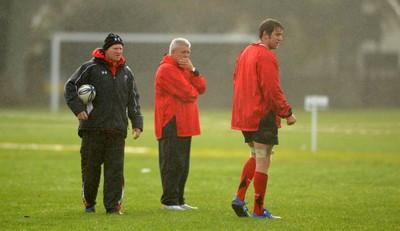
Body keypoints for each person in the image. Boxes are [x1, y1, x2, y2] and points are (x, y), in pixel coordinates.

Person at [64, 33, 143, 215]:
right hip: (93, 128)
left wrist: (137, 123)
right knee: (90, 169)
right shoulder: (89, 68)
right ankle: (89, 203)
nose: (118, 51)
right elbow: (70, 86)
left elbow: (133, 100)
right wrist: (78, 109)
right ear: (105, 50)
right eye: (115, 48)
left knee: (115, 171)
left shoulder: (126, 72)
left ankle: (113, 207)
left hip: (117, 129)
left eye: (121, 49)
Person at [230, 19, 297, 219]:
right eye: (277, 35)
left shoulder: (245, 53)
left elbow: (236, 80)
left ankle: (239, 198)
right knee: (263, 160)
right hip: (261, 115)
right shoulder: (266, 56)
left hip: (246, 115)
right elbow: (271, 89)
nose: (280, 39)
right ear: (265, 35)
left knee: (255, 155)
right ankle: (259, 211)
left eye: (282, 35)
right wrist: (287, 112)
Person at [154, 38, 206, 211]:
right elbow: (189, 93)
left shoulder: (184, 69)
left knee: (183, 164)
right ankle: (169, 201)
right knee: (171, 163)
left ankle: (179, 200)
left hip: (186, 123)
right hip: (171, 122)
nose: (186, 56)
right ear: (173, 52)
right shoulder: (166, 69)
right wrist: (193, 88)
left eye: (188, 52)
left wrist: (193, 70)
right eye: (183, 52)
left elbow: (202, 87)